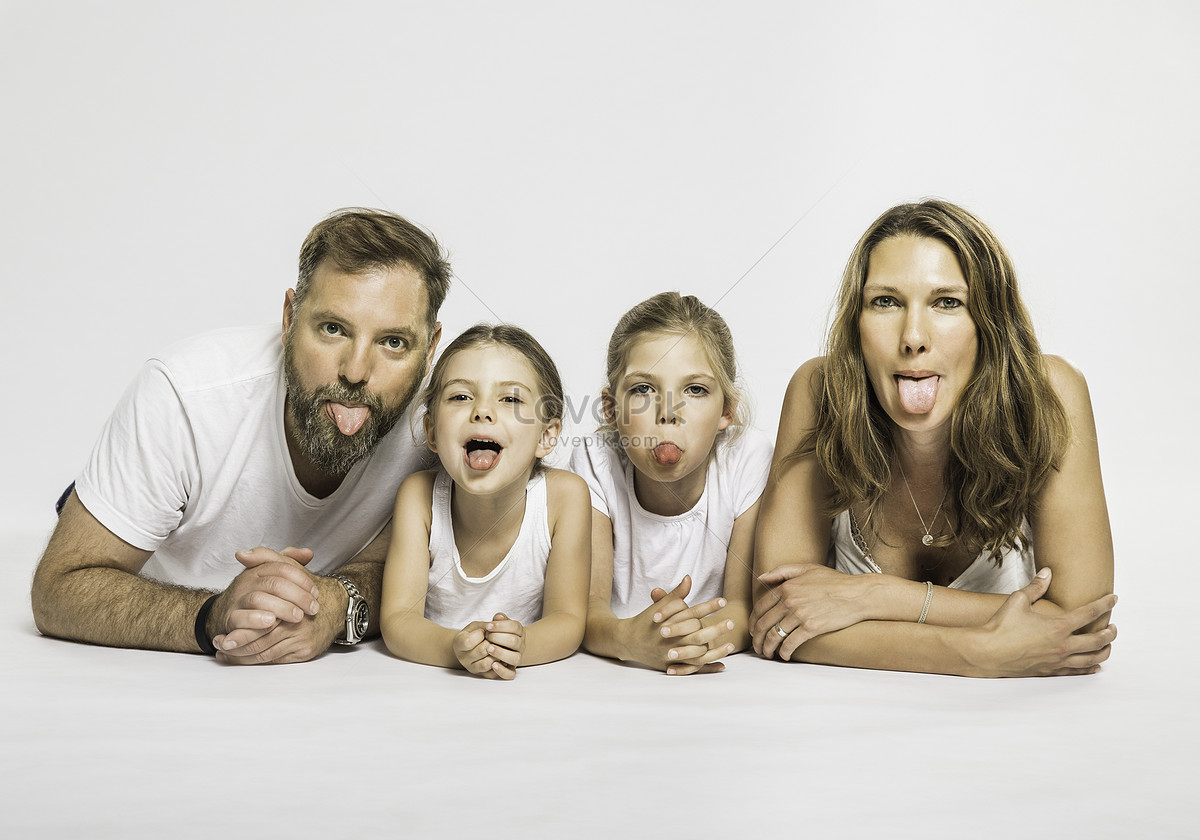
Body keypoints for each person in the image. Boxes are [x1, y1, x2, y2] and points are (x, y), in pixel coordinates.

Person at [31, 208, 450, 664]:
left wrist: (337, 602)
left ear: (430, 350)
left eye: (393, 343)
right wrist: (213, 616)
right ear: (290, 317)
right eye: (333, 329)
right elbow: (59, 587)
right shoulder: (184, 395)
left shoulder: (442, 422)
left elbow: (420, 565)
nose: (354, 372)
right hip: (158, 576)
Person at [750, 199, 1117, 677]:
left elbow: (1082, 624)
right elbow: (775, 618)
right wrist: (977, 653)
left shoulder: (1049, 394)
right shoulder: (821, 392)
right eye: (885, 301)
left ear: (989, 324)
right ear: (856, 325)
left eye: (947, 302)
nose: (913, 337)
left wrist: (878, 596)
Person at [572, 292, 773, 675]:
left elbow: (744, 606)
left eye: (694, 390)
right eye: (643, 390)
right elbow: (587, 610)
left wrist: (689, 644)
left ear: (726, 410)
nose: (668, 414)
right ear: (611, 409)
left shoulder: (747, 458)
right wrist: (628, 640)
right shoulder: (596, 460)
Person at [380, 325, 590, 679]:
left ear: (546, 435)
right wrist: (454, 649)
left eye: (510, 399)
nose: (482, 411)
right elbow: (398, 620)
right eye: (461, 397)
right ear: (431, 431)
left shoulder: (565, 499)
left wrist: (521, 647)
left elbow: (567, 620)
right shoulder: (418, 497)